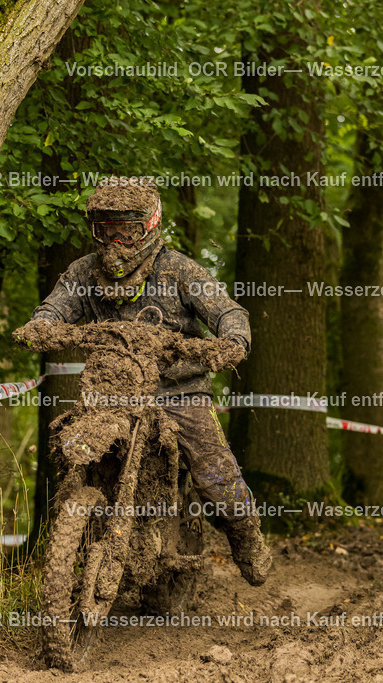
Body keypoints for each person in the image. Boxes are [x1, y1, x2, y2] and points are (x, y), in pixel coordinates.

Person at [31, 176, 272, 586]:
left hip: (178, 390)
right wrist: (41, 325)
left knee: (213, 469)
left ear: (149, 226)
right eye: (105, 230)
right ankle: (73, 545)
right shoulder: (83, 272)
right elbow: (53, 308)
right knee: (71, 448)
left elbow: (228, 310)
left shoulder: (178, 269)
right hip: (111, 392)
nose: (115, 241)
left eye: (126, 230)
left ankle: (247, 537)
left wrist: (232, 340)